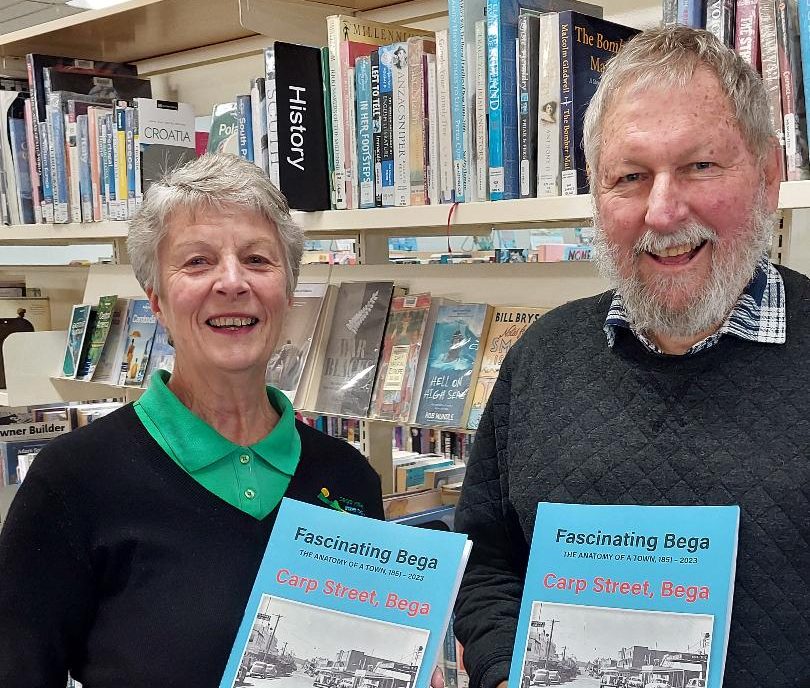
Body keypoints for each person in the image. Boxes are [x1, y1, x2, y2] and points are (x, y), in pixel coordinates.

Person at [453, 26, 810, 688]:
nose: (663, 210)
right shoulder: (539, 361)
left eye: (701, 166)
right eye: (630, 176)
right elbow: (486, 561)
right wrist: (504, 669)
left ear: (766, 178)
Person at [0, 153, 384, 686]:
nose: (232, 282)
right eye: (198, 261)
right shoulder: (73, 482)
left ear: (289, 291)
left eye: (257, 259)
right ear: (156, 299)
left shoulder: (349, 477)